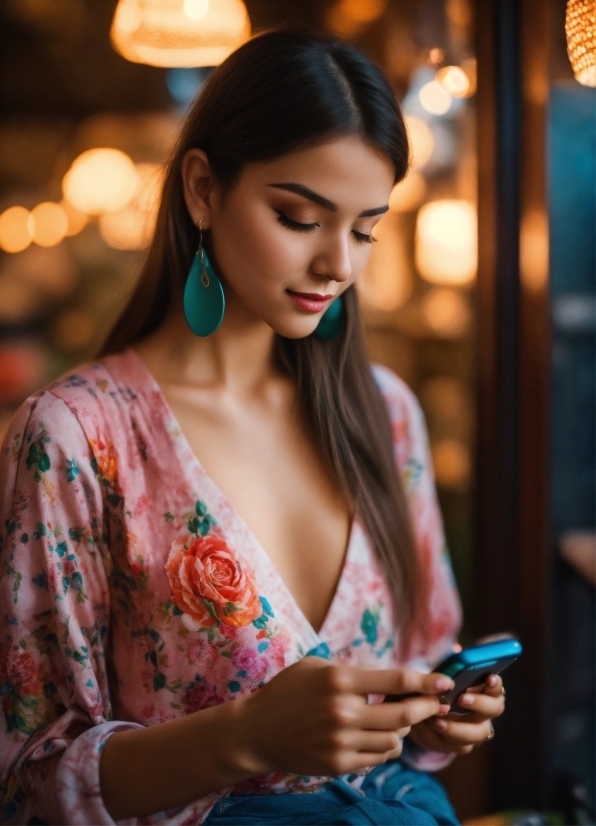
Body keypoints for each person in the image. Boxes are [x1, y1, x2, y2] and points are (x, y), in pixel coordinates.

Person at [0, 29, 505, 826]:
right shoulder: (74, 439)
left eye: (366, 228)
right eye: (299, 218)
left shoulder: (385, 412)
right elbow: (29, 781)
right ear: (202, 189)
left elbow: (421, 656)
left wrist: (433, 713)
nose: (339, 263)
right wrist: (248, 737)